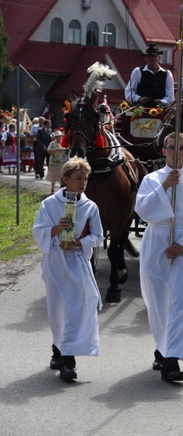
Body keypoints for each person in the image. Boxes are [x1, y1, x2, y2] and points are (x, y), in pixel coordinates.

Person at [135, 132, 183, 382]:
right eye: (171, 147)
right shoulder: (151, 180)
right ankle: (162, 347)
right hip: (157, 242)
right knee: (157, 301)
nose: (175, 152)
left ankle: (172, 361)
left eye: (181, 148)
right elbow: (143, 210)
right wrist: (165, 186)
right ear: (163, 151)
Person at [32, 157, 103, 381]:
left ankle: (68, 360)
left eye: (86, 179)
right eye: (78, 179)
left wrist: (80, 243)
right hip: (56, 262)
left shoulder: (90, 207)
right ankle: (58, 349)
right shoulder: (50, 204)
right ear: (65, 180)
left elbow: (98, 235)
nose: (83, 183)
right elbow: (38, 231)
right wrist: (56, 229)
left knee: (77, 307)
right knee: (57, 310)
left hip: (77, 261)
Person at [125, 43, 175, 108]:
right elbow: (128, 92)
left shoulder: (167, 74)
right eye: (149, 56)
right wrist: (139, 98)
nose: (151, 59)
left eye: (154, 56)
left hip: (160, 111)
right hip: (140, 110)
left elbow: (170, 97)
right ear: (145, 58)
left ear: (159, 58)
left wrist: (162, 101)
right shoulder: (137, 71)